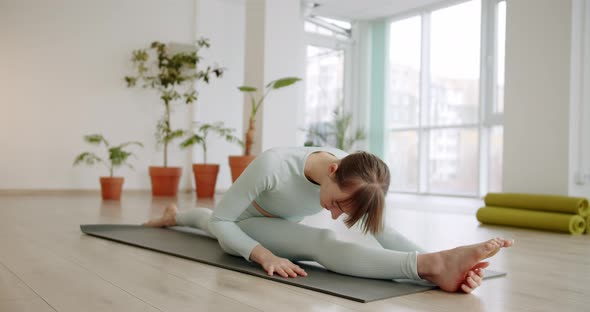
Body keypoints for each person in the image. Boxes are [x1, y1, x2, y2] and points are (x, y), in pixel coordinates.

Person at [144, 146, 513, 293]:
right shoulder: (274, 166)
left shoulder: (355, 179)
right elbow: (225, 222)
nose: (333, 213)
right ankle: (175, 216)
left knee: (204, 221)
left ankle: (434, 264)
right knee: (318, 242)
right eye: (336, 203)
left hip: (270, 225)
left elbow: (384, 232)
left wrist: (444, 257)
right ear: (333, 169)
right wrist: (264, 255)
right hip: (242, 224)